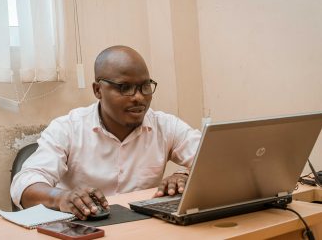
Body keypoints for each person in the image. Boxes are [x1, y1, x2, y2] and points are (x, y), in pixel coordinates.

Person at [11, 45, 201, 220]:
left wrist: (185, 176)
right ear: (98, 90)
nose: (138, 97)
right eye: (124, 87)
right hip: (84, 227)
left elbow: (215, 159)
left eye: (145, 86)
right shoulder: (68, 128)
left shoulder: (165, 126)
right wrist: (61, 197)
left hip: (141, 228)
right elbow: (25, 183)